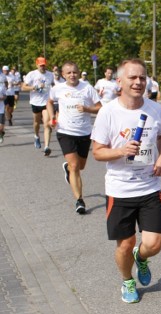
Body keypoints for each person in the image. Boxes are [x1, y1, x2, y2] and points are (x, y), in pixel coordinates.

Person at [91, 58, 161, 304]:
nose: (138, 82)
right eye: (133, 78)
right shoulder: (108, 112)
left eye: (142, 78)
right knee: (124, 245)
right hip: (120, 189)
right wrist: (122, 151)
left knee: (153, 244)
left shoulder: (155, 110)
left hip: (149, 186)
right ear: (119, 81)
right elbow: (97, 152)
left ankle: (142, 258)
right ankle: (127, 281)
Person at [47, 61, 102, 214]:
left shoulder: (87, 88)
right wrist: (52, 117)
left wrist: (87, 109)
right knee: (75, 166)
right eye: (68, 72)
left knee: (81, 166)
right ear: (63, 75)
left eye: (74, 72)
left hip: (84, 132)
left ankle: (68, 169)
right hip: (65, 131)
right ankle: (79, 200)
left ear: (79, 73)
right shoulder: (57, 89)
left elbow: (100, 108)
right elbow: (49, 102)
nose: (72, 75)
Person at [22, 57, 55, 155]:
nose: (42, 67)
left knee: (46, 124)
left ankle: (46, 147)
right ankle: (36, 136)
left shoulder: (50, 75)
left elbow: (54, 85)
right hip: (35, 102)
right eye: (41, 65)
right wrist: (35, 87)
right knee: (36, 123)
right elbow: (23, 87)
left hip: (46, 103)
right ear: (37, 65)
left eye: (44, 65)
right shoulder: (32, 74)